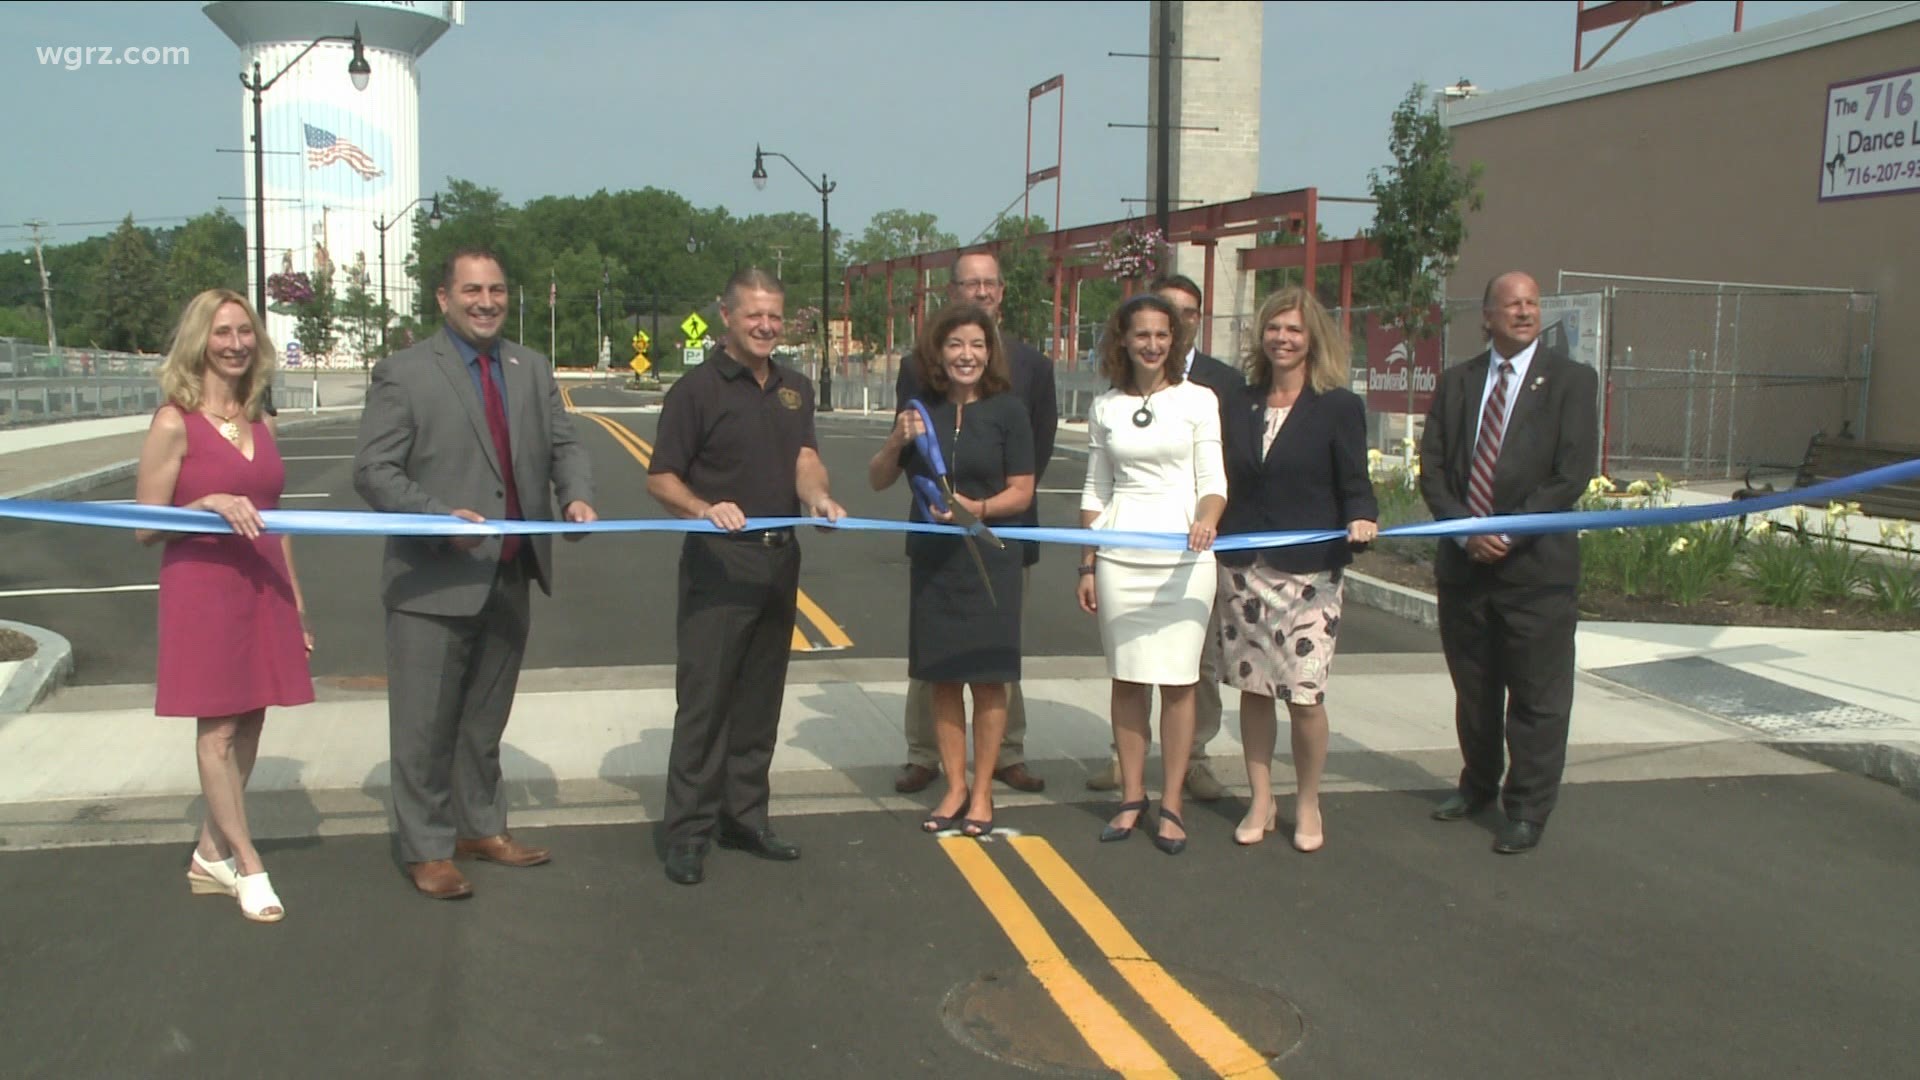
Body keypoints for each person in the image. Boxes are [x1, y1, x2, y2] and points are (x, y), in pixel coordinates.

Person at [353, 247, 598, 900]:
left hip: (511, 577)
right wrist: (438, 517)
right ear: (443, 298)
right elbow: (374, 471)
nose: (485, 301)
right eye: (471, 290)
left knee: (483, 723)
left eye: (495, 290)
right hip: (433, 583)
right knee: (423, 727)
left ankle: (479, 828)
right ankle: (427, 847)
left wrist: (574, 494)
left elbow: (565, 444)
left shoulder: (530, 367)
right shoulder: (404, 373)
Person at [647, 267, 848, 886]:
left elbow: (805, 460)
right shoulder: (696, 391)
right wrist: (703, 509)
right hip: (719, 564)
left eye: (774, 316)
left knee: (760, 702)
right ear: (726, 316)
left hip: (779, 559)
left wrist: (819, 499)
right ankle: (687, 831)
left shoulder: (795, 387)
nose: (765, 326)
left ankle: (745, 817)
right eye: (753, 315)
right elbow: (661, 477)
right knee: (705, 702)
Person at [135, 288, 315, 923]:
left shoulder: (261, 420)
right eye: (221, 333)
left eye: (244, 332)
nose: (236, 344)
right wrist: (205, 503)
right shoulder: (172, 422)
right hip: (203, 587)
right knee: (215, 728)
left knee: (253, 719)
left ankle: (209, 851)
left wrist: (295, 605)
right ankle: (247, 862)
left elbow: (278, 523)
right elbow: (144, 527)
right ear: (198, 343)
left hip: (261, 582)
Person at [1419, 271, 1598, 854]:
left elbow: (1570, 475)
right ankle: (1477, 785)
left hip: (1536, 571)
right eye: (1511, 305)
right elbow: (1435, 470)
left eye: (1531, 304)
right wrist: (1468, 531)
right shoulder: (1456, 383)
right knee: (1475, 692)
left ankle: (1527, 809)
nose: (1524, 313)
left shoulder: (1571, 381)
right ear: (1487, 317)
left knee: (1537, 698)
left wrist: (1508, 531)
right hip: (1466, 569)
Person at [1215, 287, 1378, 853]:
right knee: (1255, 690)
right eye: (1273, 328)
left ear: (1313, 339)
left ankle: (1307, 799)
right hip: (1242, 569)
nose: (1282, 339)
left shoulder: (1337, 406)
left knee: (1304, 695)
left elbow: (1354, 481)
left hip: (1309, 575)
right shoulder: (1238, 402)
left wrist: (1361, 517)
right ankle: (1262, 797)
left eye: (1294, 330)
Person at [892, 252, 1059, 797]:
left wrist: (987, 504)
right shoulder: (919, 366)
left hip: (1004, 532)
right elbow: (909, 451)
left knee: (997, 658)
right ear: (952, 291)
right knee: (935, 660)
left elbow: (1038, 452)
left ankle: (1007, 754)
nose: (980, 292)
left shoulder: (1032, 366)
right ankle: (925, 755)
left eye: (989, 284)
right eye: (970, 284)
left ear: (1002, 292)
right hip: (936, 535)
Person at [870, 303, 1036, 838]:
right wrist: (898, 438)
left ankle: (983, 791)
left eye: (978, 345)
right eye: (956, 344)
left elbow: (1023, 490)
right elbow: (878, 479)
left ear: (990, 354)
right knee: (942, 680)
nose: (967, 355)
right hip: (934, 562)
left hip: (991, 559)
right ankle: (955, 785)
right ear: (938, 352)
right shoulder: (922, 410)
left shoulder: (1009, 410)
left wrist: (977, 510)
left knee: (989, 682)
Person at [1077, 293, 1228, 856]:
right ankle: (1132, 797)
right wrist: (1088, 561)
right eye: (1141, 334)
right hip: (1120, 553)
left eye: (1162, 334)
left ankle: (1171, 804)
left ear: (1176, 339)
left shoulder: (1199, 400)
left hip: (1184, 557)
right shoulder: (1106, 407)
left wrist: (1206, 520)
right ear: (1123, 339)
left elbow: (1213, 480)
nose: (1152, 344)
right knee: (1128, 677)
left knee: (1180, 680)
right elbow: (1096, 490)